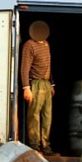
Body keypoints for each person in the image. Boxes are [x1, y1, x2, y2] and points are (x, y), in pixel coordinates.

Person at [20, 20, 55, 155]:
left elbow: (48, 65)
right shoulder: (29, 45)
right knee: (34, 116)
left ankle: (45, 144)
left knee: (47, 116)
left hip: (46, 83)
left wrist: (52, 83)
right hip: (35, 83)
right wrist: (26, 87)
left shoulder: (46, 44)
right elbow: (25, 68)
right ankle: (34, 145)